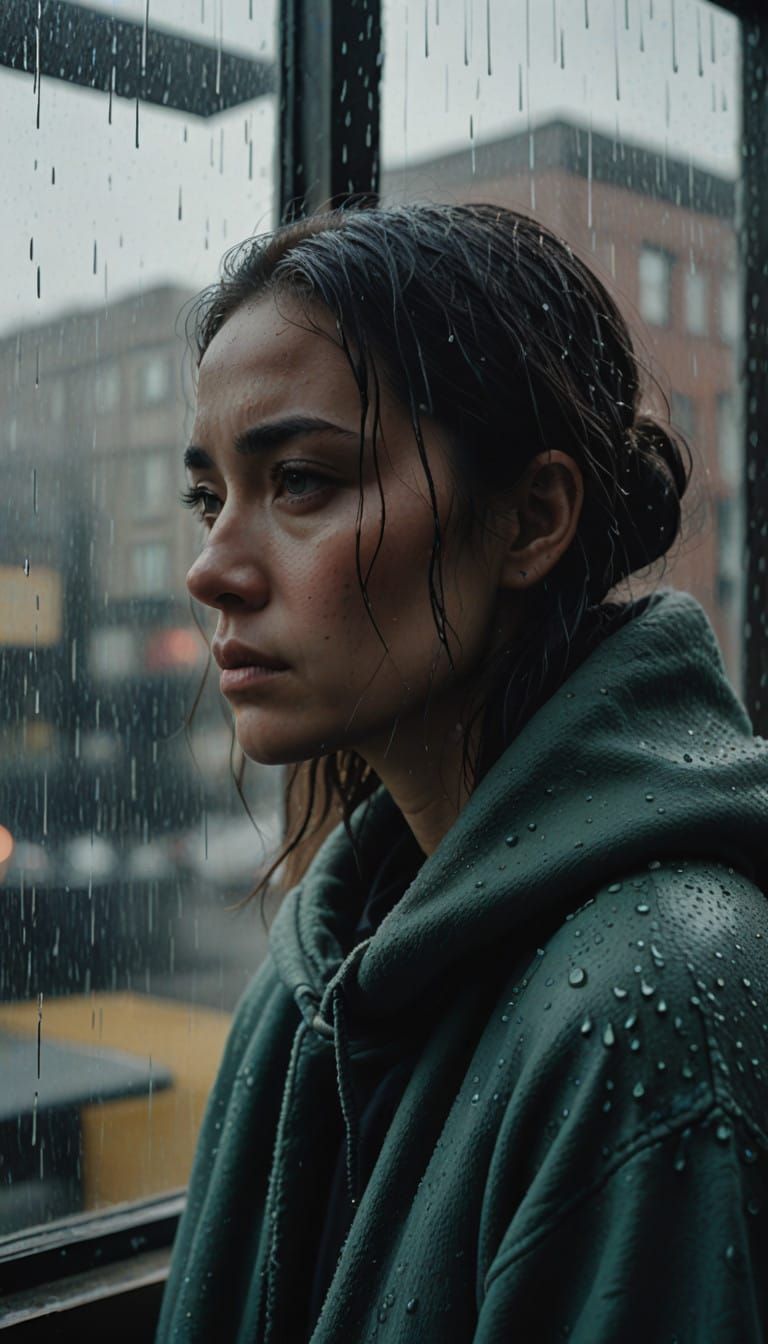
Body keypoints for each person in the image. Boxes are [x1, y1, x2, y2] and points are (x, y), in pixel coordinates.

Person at [156, 202, 768, 1343]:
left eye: (297, 480)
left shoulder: (663, 1004)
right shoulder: (309, 986)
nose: (211, 567)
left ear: (530, 520)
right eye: (208, 497)